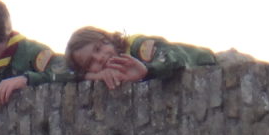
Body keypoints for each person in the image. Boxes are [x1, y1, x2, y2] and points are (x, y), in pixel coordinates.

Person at [66, 26, 217, 89]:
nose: (99, 58)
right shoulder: (98, 73)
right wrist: (94, 76)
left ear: (108, 40)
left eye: (99, 48)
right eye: (90, 63)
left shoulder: (136, 46)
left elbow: (171, 58)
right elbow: (60, 73)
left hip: (206, 63)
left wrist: (147, 70)